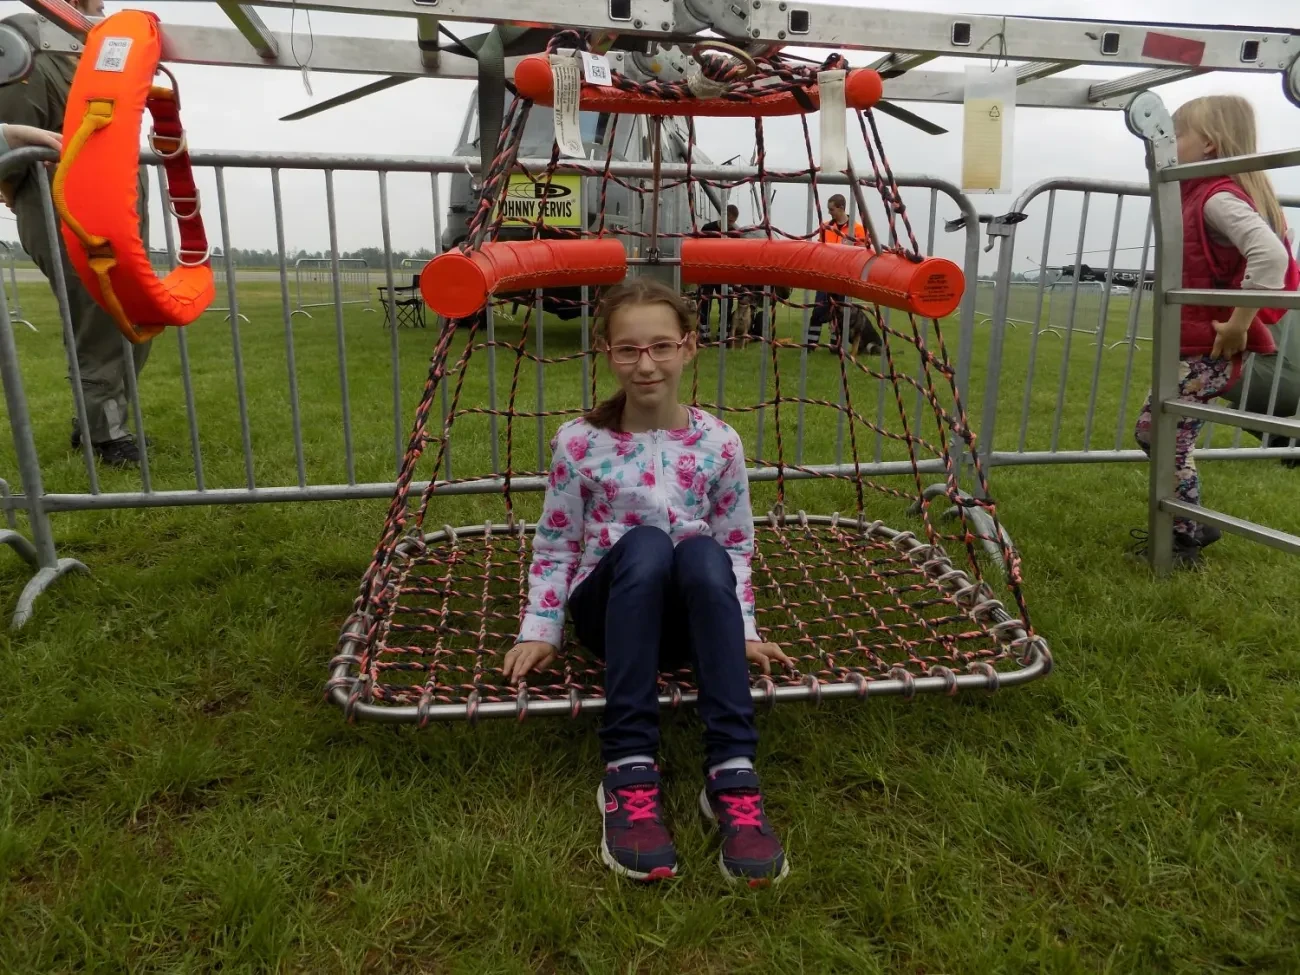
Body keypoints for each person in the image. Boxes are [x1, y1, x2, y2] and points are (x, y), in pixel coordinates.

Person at [503, 277, 793, 886]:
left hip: (689, 626)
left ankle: (733, 775)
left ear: (689, 346)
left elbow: (736, 547)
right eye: (629, 349)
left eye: (661, 346)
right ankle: (629, 767)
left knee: (703, 552)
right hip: (612, 613)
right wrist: (542, 629)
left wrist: (741, 630)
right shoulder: (580, 443)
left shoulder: (719, 442)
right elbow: (557, 544)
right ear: (606, 353)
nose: (646, 364)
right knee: (647, 543)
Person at [1133, 95, 1296, 567]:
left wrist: (1239, 324)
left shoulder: (1217, 198)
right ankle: (1189, 524)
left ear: (1208, 144)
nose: (1167, 143)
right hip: (1195, 341)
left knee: (1159, 434)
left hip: (1211, 344)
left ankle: (1186, 534)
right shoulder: (1197, 192)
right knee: (1163, 433)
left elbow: (1271, 256)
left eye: (1176, 134)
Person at [0, 0, 153, 467]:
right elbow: (12, 148)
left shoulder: (97, 43)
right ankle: (105, 434)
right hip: (62, 206)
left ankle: (97, 420)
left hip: (117, 204)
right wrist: (13, 185)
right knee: (98, 318)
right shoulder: (19, 41)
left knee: (136, 315)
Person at [808, 193, 867, 348]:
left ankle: (836, 346)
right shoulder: (825, 227)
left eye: (832, 209)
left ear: (841, 208)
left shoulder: (858, 229)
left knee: (839, 313)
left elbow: (862, 253)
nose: (829, 212)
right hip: (826, 276)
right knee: (818, 310)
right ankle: (810, 345)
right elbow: (819, 249)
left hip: (844, 278)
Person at [696, 204, 741, 340]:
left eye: (733, 221)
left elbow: (736, 256)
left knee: (726, 303)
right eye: (729, 220)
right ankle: (704, 335)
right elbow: (699, 249)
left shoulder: (735, 233)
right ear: (724, 216)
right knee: (705, 303)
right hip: (708, 272)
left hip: (725, 273)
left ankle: (723, 335)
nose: (731, 224)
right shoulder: (707, 229)